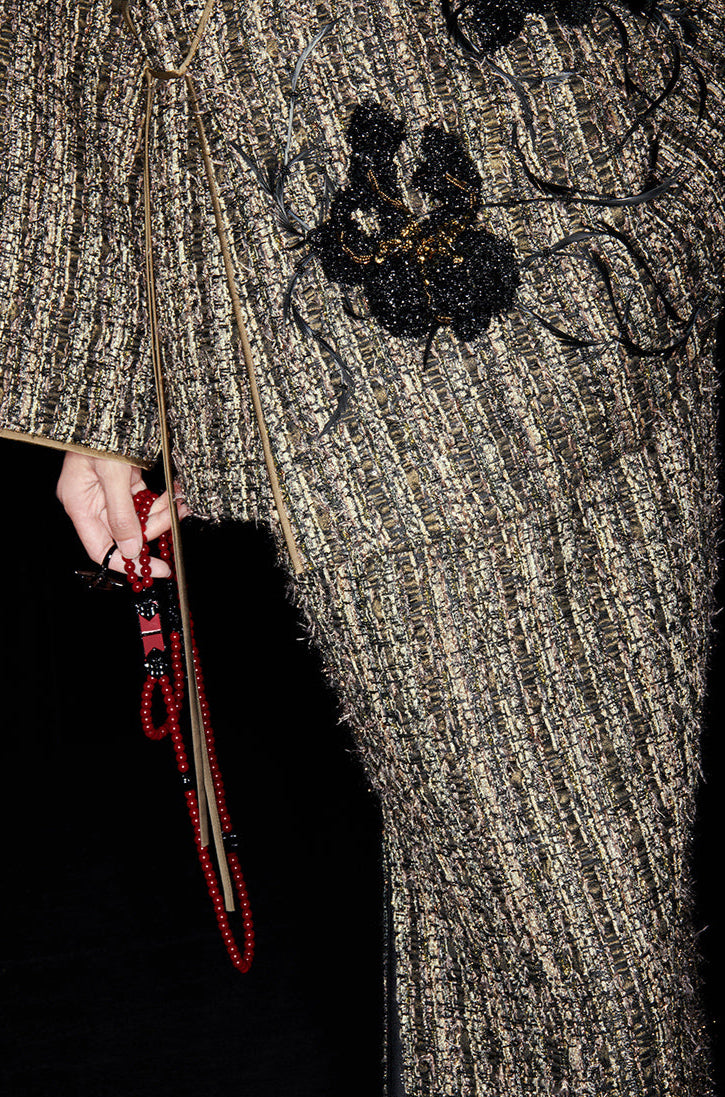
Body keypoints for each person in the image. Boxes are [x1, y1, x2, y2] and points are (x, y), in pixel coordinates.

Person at [1, 0, 723, 1093]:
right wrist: (93, 376)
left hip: (618, 177)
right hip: (394, 339)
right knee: (572, 952)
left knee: (545, 943)